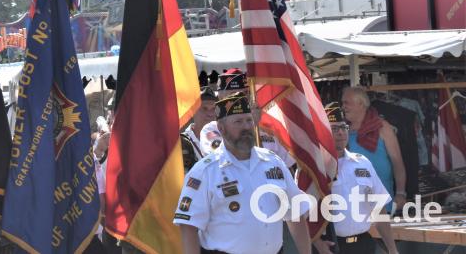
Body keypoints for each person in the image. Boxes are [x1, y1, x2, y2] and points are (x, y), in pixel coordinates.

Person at [173, 94, 313, 254]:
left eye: (249, 120)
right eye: (238, 122)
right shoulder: (205, 172)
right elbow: (188, 226)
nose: (246, 127)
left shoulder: (273, 162)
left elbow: (296, 213)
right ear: (221, 128)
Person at [316, 103, 399, 254]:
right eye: (334, 129)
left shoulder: (362, 162)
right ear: (323, 132)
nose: (341, 133)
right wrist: (318, 244)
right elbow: (301, 213)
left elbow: (379, 209)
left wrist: (392, 249)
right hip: (330, 246)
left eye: (344, 128)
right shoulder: (315, 167)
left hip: (363, 244)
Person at [342, 86, 406, 213]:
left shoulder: (382, 127)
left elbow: (397, 162)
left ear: (360, 104)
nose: (343, 107)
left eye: (346, 103)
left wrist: (400, 193)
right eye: (342, 103)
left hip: (381, 202)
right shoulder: (343, 130)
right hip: (352, 203)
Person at [182, 89, 218, 170]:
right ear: (192, 111)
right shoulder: (182, 142)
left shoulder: (225, 138)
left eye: (213, 109)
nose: (210, 114)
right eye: (204, 109)